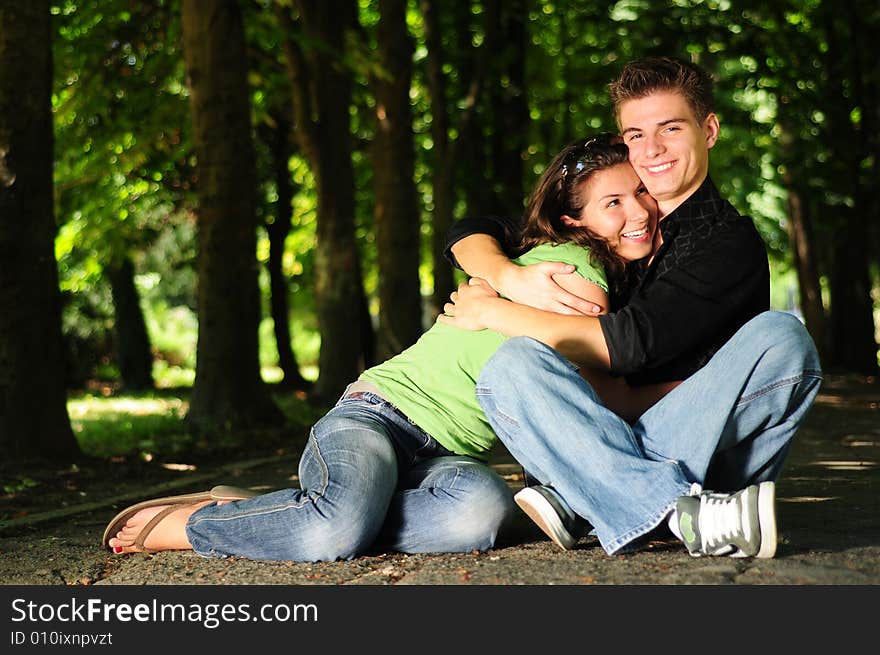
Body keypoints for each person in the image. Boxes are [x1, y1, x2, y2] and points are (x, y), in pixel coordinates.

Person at [103, 134, 659, 561]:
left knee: (481, 518)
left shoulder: (588, 273)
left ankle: (284, 507)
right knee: (334, 531)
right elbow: (604, 382)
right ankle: (202, 522)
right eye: (613, 202)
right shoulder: (572, 269)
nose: (637, 211)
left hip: (449, 458)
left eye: (641, 192)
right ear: (573, 221)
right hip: (379, 416)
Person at [440, 56, 822, 558]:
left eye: (670, 127)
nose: (652, 149)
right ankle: (677, 513)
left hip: (690, 443)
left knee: (783, 338)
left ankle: (592, 496)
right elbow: (474, 229)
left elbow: (629, 345)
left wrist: (490, 311)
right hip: (607, 440)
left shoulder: (726, 242)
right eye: (635, 134)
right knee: (512, 366)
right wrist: (504, 274)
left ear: (709, 130)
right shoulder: (610, 216)